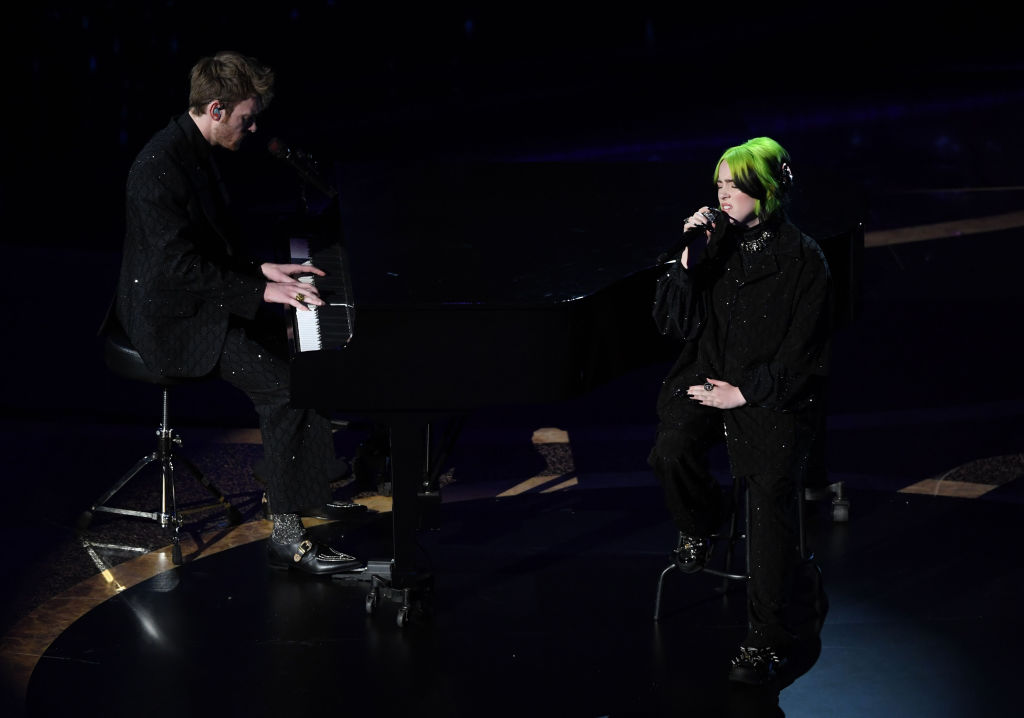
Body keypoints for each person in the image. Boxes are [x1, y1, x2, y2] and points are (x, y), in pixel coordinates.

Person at [114, 50, 363, 575]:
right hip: (173, 318)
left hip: (201, 296)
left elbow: (211, 246)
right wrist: (257, 294)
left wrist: (262, 270)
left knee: (304, 357)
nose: (253, 128)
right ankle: (288, 536)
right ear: (217, 108)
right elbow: (177, 270)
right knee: (284, 387)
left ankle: (308, 490)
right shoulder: (157, 169)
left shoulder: (197, 150)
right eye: (247, 118)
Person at [648, 137, 831, 684]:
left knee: (768, 501)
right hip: (706, 376)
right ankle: (701, 521)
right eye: (719, 186)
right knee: (670, 450)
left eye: (735, 186)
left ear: (766, 189)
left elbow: (805, 353)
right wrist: (687, 255)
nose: (723, 196)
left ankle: (767, 635)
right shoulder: (714, 244)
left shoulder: (805, 259)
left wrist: (745, 394)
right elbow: (671, 324)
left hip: (773, 393)